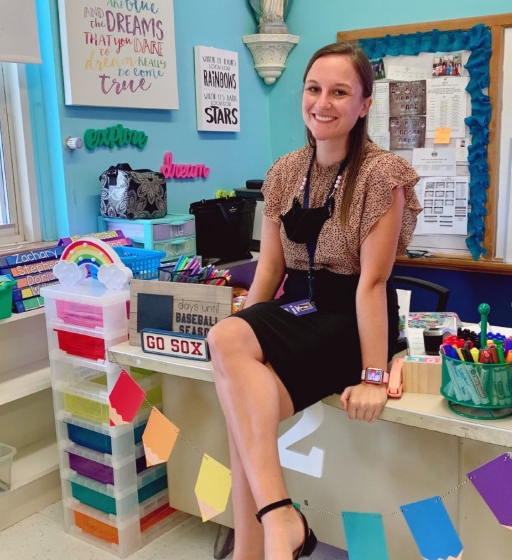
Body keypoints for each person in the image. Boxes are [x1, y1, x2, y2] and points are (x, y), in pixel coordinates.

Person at [207, 42, 421, 560]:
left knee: (242, 416)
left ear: (364, 105)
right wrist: (240, 347)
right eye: (313, 89)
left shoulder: (381, 175)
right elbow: (269, 270)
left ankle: (261, 540)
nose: (322, 103)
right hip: (298, 309)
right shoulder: (285, 171)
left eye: (339, 92)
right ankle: (278, 524)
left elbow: (373, 284)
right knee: (228, 348)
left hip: (351, 318)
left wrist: (373, 376)